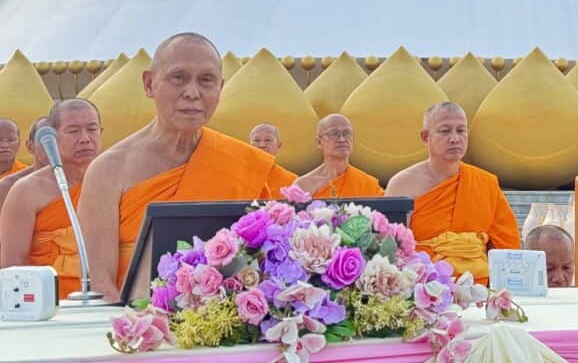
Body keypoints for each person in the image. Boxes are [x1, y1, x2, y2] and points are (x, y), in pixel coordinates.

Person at [78, 32, 297, 300]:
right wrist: (140, 330)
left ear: (220, 87)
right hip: (139, 329)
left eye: (206, 80)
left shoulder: (245, 163)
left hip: (231, 328)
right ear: (149, 84)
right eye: (178, 77)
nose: (192, 93)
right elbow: (99, 286)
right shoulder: (108, 170)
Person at [385, 101, 520, 285]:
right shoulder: (402, 185)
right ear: (425, 137)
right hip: (423, 290)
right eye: (445, 131)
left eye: (461, 130)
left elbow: (507, 246)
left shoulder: (485, 183)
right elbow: (390, 251)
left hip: (479, 290)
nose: (455, 138)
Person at [0, 100, 102, 299]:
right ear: (53, 137)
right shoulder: (26, 191)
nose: (85, 139)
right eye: (73, 131)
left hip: (107, 299)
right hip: (48, 305)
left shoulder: (115, 181)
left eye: (92, 129)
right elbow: (13, 267)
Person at [294, 114, 384, 198]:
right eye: (333, 134)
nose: (342, 139)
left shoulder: (367, 183)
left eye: (347, 133)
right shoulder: (304, 185)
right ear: (319, 142)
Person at [0, 116, 51, 215]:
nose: (5, 145)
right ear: (30, 146)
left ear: (19, 143)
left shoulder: (27, 179)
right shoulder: (8, 184)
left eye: (11, 140)